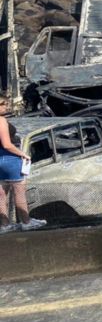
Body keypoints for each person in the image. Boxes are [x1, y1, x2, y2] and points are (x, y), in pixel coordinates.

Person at [0, 97, 46, 233]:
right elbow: (7, 144)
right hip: (10, 159)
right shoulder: (1, 121)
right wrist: (23, 154)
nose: (7, 107)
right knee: (19, 192)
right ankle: (26, 222)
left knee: (1, 195)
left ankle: (4, 225)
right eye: (3, 104)